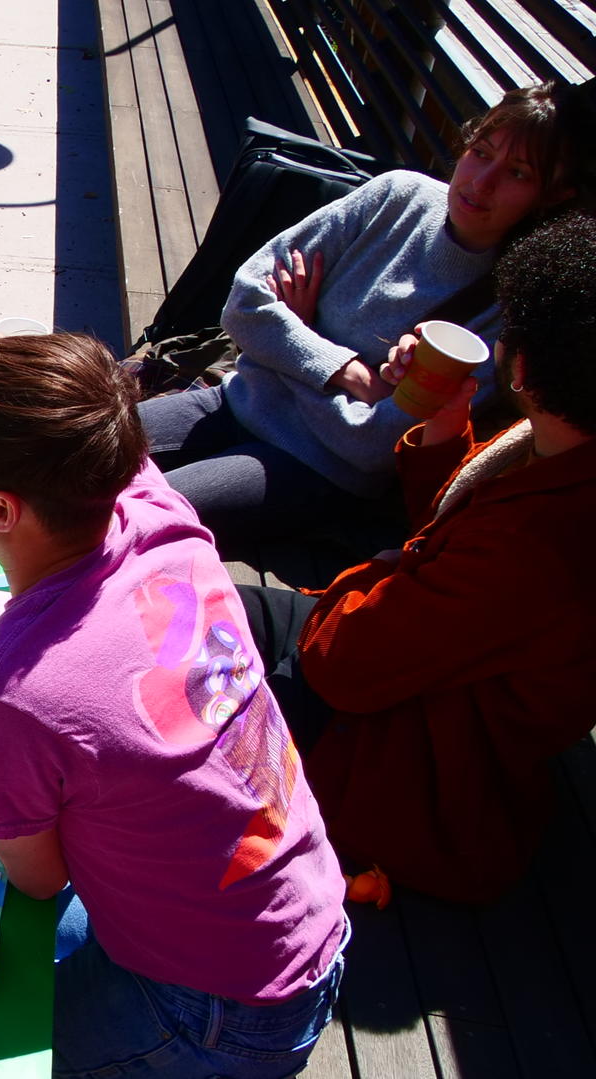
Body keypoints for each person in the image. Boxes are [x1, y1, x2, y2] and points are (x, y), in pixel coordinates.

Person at [0, 215, 347, 1078]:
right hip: (302, 919)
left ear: (1, 512)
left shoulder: (11, 687)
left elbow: (37, 879)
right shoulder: (143, 505)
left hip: (214, 1005)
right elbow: (34, 382)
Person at [238, 211, 596, 906]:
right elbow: (465, 529)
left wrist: (364, 583)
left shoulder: (541, 545)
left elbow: (344, 665)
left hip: (417, 760)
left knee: (192, 696)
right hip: (410, 666)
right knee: (211, 610)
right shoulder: (564, 451)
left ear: (520, 366)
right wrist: (443, 421)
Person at [137, 80, 595, 559]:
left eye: (518, 173)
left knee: (135, 518)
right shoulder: (397, 197)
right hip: (234, 400)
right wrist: (347, 372)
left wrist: (290, 340)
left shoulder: (510, 306)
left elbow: (372, 445)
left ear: (554, 194)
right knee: (61, 446)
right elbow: (244, 303)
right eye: (481, 152)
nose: (481, 182)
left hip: (313, 465)